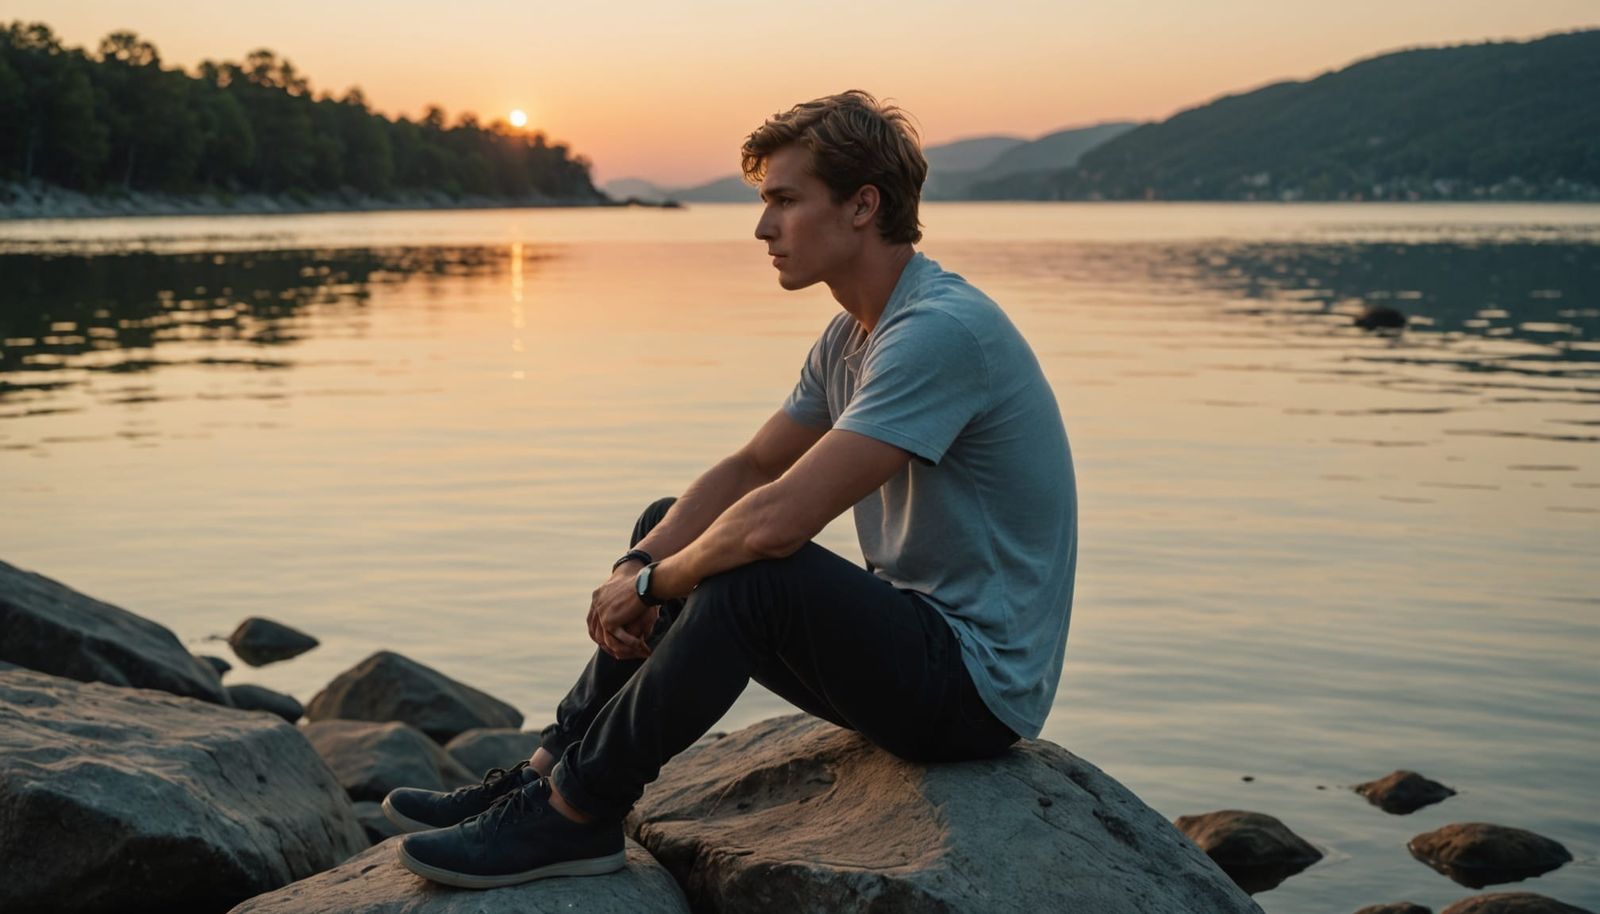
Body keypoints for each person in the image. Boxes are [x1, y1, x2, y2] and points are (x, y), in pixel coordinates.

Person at [383, 89, 1078, 890]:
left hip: (975, 692)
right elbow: (752, 468)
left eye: (784, 200)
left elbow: (778, 521)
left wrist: (653, 585)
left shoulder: (939, 333)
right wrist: (639, 559)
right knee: (674, 525)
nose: (762, 227)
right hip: (913, 654)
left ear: (863, 205)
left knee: (756, 573)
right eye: (762, 201)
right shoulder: (854, 334)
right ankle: (546, 774)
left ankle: (579, 814)